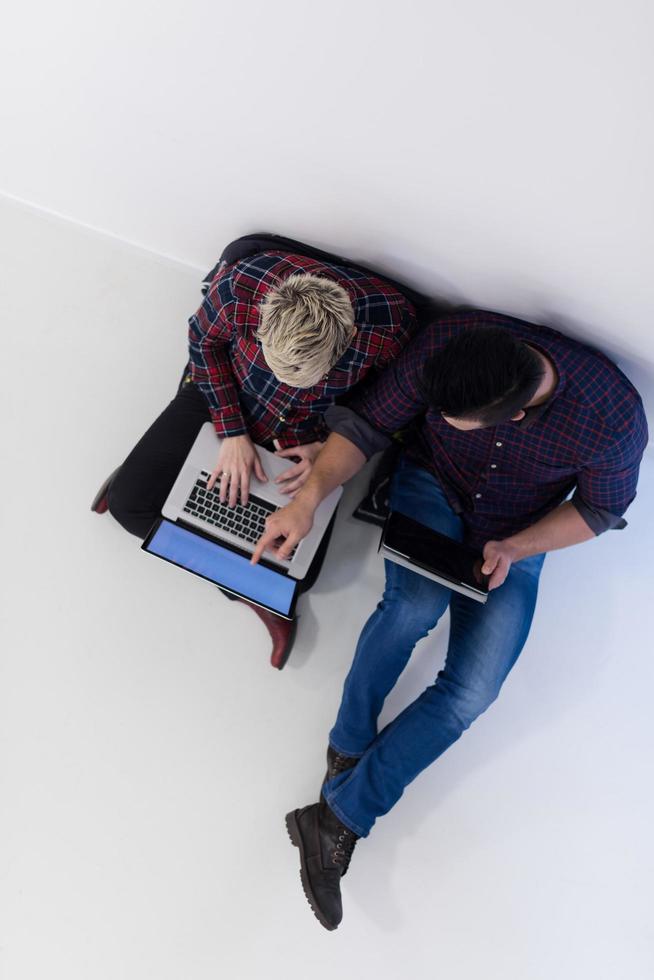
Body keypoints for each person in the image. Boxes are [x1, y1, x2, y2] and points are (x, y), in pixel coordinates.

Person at [252, 310, 648, 929]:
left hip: (522, 528)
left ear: (512, 416)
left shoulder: (612, 417)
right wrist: (307, 500)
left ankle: (335, 818)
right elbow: (369, 424)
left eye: (456, 420)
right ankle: (346, 748)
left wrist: (518, 548)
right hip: (434, 486)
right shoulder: (453, 342)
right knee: (412, 606)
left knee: (474, 690)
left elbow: (599, 511)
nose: (439, 419)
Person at [92, 249, 417, 663]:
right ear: (262, 319)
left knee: (301, 575)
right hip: (227, 400)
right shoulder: (240, 288)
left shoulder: (391, 328)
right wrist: (231, 431)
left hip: (308, 435)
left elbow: (387, 406)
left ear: (349, 338)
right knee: (128, 507)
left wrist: (328, 446)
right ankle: (246, 587)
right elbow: (203, 341)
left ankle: (252, 586)